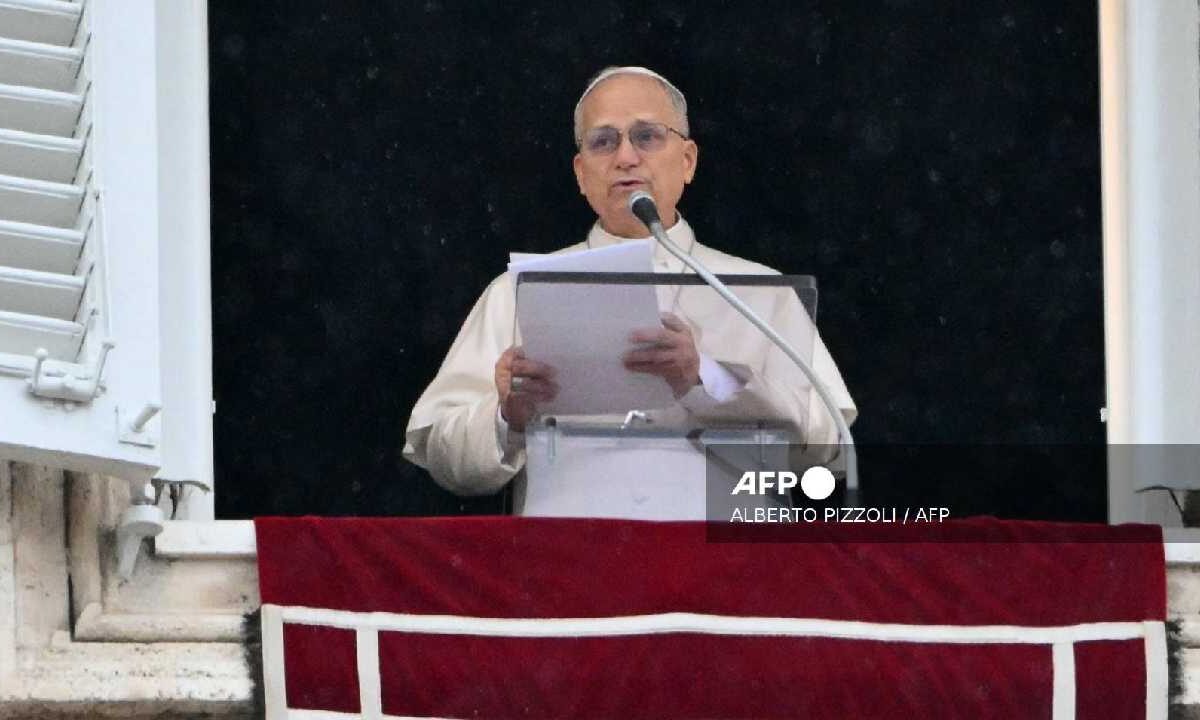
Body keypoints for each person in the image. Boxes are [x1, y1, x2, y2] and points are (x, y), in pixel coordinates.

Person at [404, 66, 856, 496]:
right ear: (581, 174)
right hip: (570, 559)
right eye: (603, 141)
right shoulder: (518, 290)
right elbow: (443, 456)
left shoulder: (758, 291)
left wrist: (705, 377)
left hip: (724, 559)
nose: (625, 156)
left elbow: (828, 445)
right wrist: (507, 418)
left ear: (688, 160)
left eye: (647, 136)